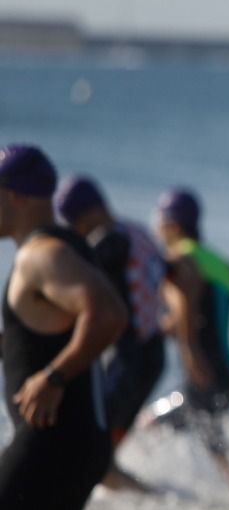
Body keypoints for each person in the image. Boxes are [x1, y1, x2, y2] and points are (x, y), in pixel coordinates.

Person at [0, 145, 175, 510]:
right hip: (80, 448)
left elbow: (108, 314)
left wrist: (52, 374)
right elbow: (51, 327)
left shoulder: (42, 254)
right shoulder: (64, 249)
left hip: (50, 445)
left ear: (17, 197)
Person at [148, 187, 229, 481]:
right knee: (216, 445)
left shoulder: (178, 260)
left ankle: (148, 492)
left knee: (151, 425)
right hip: (226, 375)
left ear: (172, 226)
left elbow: (186, 312)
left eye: (159, 223)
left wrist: (189, 351)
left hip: (202, 373)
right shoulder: (220, 264)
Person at [53, 174, 167, 492]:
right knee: (101, 451)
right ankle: (154, 502)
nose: (76, 231)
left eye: (74, 223)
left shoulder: (108, 243)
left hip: (131, 358)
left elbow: (74, 288)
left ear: (88, 213)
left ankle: (158, 503)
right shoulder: (139, 233)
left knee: (95, 454)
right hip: (150, 352)